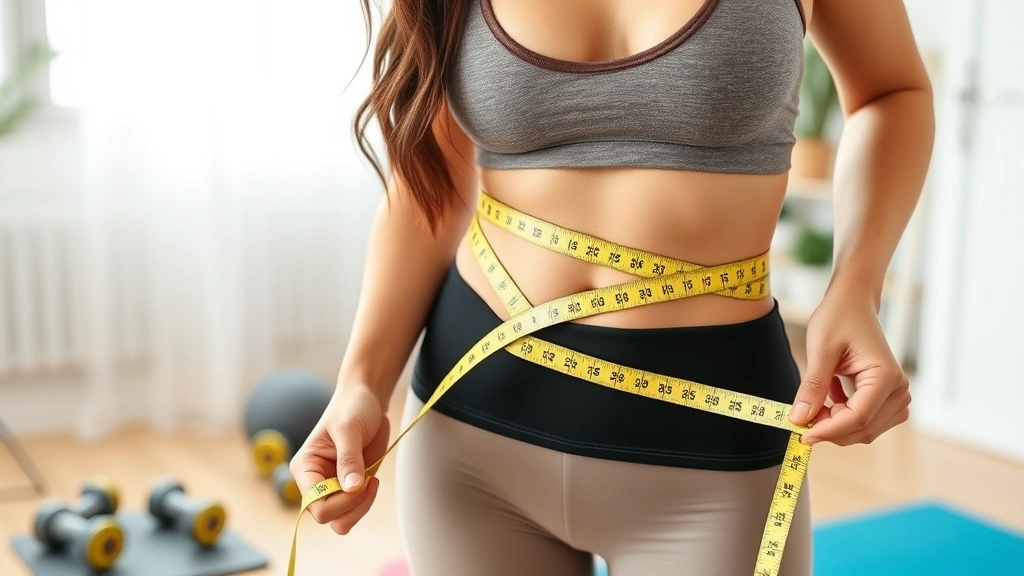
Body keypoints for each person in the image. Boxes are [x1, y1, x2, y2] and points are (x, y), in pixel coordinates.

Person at [290, 0, 934, 574]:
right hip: (471, 433)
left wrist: (856, 286)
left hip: (713, 446)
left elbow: (891, 90)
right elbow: (428, 181)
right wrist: (362, 383)